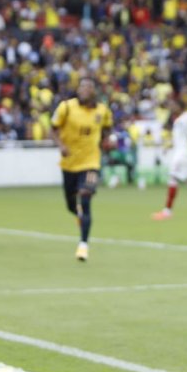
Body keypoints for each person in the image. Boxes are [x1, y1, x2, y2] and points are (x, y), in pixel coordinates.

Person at [51, 76, 112, 262]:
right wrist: (60, 145)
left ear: (94, 91)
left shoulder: (102, 110)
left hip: (91, 163)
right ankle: (78, 216)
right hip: (69, 164)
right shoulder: (66, 107)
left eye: (87, 87)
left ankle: (83, 245)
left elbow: (108, 128)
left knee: (85, 196)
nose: (83, 90)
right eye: (81, 87)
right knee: (71, 205)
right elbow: (53, 128)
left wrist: (105, 141)